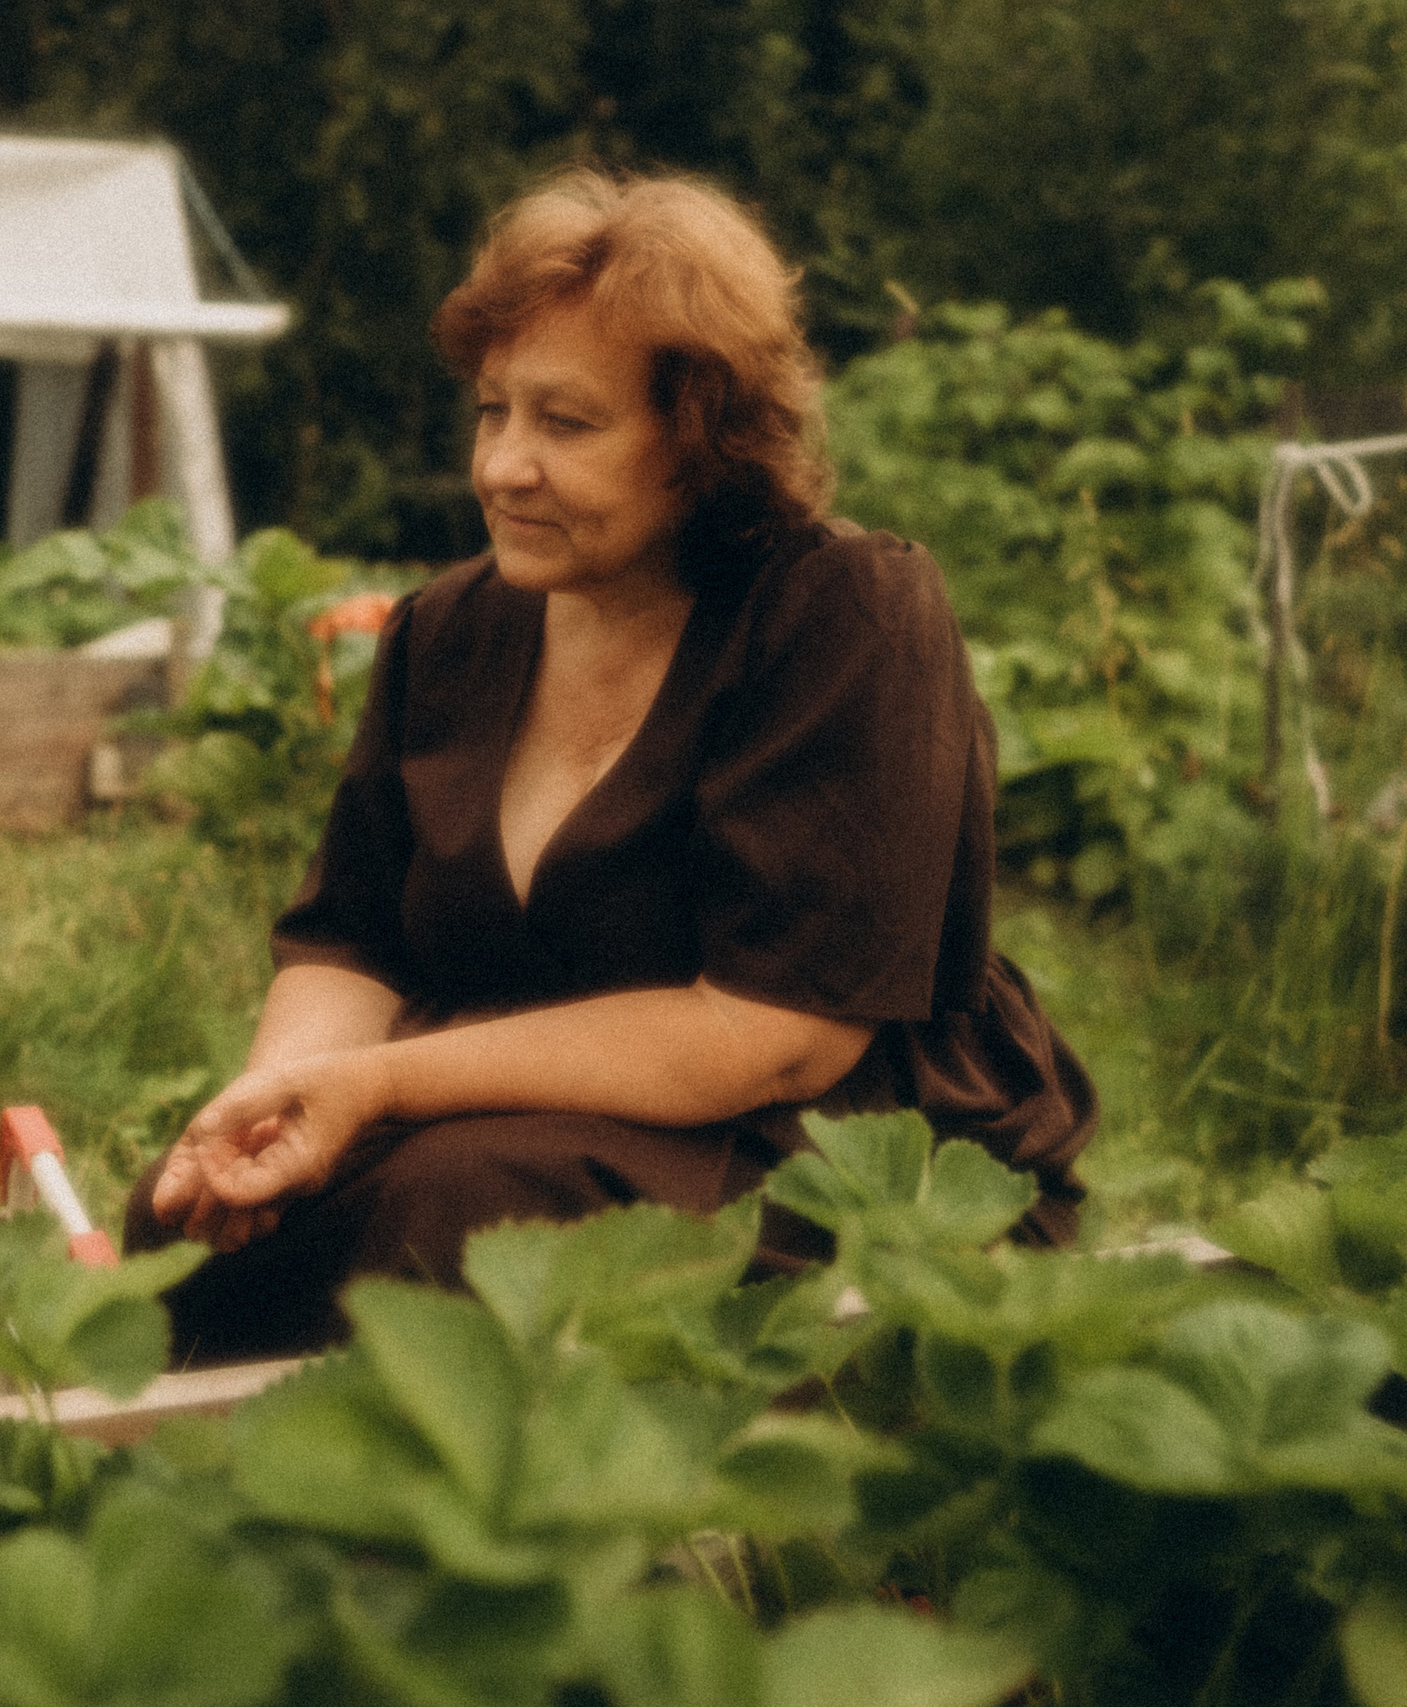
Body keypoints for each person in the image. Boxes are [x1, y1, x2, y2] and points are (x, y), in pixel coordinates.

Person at [126, 167, 1096, 1363]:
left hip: (811, 1133)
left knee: (457, 1213)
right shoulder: (448, 631)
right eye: (493, 411)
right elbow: (354, 939)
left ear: (700, 441)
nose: (501, 467)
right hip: (517, 1110)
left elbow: (777, 1034)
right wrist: (281, 1102)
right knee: (189, 1223)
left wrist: (376, 1091)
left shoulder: (841, 614)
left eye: (565, 423)